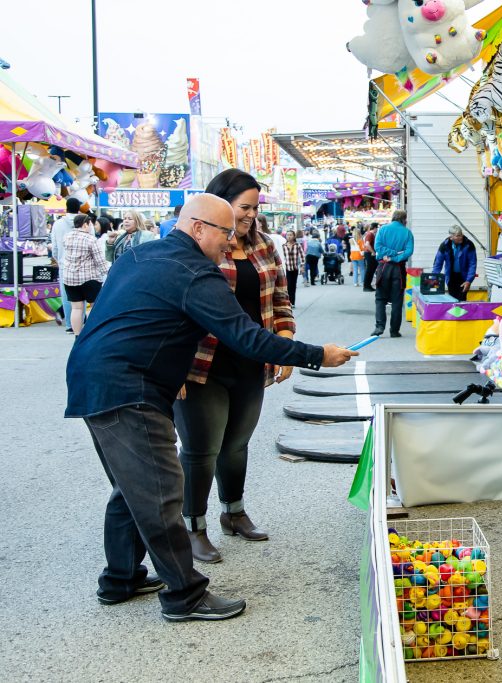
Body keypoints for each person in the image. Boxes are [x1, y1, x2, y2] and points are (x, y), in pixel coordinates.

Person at [65, 193, 357, 622]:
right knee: (161, 491)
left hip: (91, 377)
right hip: (130, 387)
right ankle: (185, 596)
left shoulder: (140, 255)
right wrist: (317, 355)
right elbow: (246, 337)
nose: (231, 241)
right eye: (226, 231)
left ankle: (120, 579)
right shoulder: (195, 273)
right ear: (198, 227)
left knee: (133, 487)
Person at [174, 169, 292, 563]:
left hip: (250, 362)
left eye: (255, 207)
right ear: (220, 205)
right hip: (200, 365)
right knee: (200, 450)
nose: (251, 215)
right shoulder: (199, 245)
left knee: (236, 445)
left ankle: (234, 513)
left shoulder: (265, 245)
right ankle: (193, 527)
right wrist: (172, 367)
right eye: (245, 207)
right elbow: (172, 309)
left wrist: (284, 340)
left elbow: (280, 299)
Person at [61, 214, 109, 335]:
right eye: (90, 224)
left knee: (76, 308)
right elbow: (100, 261)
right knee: (95, 307)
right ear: (85, 224)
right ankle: (92, 334)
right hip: (89, 278)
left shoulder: (66, 237)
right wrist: (108, 273)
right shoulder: (91, 239)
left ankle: (77, 336)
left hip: (70, 278)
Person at [372, 210, 414, 338]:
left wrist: (389, 255)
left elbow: (378, 247)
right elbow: (409, 251)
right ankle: (394, 331)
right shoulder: (407, 233)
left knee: (380, 299)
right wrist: (396, 256)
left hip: (383, 266)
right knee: (397, 301)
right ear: (404, 219)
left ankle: (379, 326)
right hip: (399, 269)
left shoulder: (383, 229)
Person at [51, 197, 83, 333]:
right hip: (83, 264)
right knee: (81, 295)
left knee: (66, 295)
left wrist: (58, 259)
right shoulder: (85, 222)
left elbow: (54, 247)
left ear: (66, 208)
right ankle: (80, 323)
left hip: (64, 264)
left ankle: (70, 325)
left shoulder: (57, 224)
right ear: (79, 208)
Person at [431, 226, 477, 302]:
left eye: (461, 234)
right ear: (451, 237)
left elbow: (472, 264)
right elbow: (438, 264)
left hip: (463, 278)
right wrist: (434, 279)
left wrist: (469, 281)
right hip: (451, 277)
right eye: (457, 236)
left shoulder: (469, 245)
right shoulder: (444, 246)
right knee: (452, 300)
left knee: (462, 300)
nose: (461, 237)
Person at [282, 230, 302, 304]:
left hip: (295, 268)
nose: (289, 236)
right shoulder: (283, 246)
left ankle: (292, 302)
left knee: (293, 285)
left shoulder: (297, 245)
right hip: (286, 269)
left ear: (294, 236)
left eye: (291, 235)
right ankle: (288, 301)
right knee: (288, 285)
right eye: (287, 235)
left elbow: (302, 256)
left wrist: (302, 266)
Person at [362, 223, 378, 292]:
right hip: (369, 254)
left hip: (369, 253)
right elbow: (367, 244)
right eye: (377, 228)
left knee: (371, 270)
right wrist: (373, 252)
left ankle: (368, 286)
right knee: (369, 270)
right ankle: (366, 286)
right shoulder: (370, 234)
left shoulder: (370, 234)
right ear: (375, 228)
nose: (377, 229)